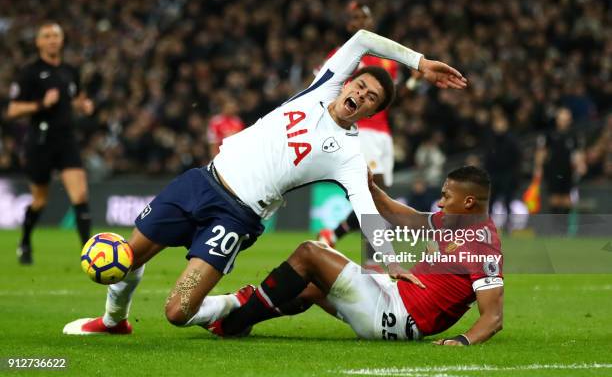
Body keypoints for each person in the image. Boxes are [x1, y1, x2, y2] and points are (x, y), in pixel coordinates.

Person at [63, 29, 467, 335]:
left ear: (370, 112)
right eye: (360, 86)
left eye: (371, 99)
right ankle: (114, 321)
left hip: (236, 218)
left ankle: (231, 304)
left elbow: (365, 206)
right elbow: (362, 39)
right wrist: (418, 62)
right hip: (202, 182)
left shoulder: (347, 155)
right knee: (128, 256)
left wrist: (389, 259)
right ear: (346, 83)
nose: (361, 95)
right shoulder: (320, 88)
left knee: (178, 312)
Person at [203, 166, 503, 345]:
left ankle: (234, 320)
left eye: (446, 197)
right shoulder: (455, 223)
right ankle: (242, 318)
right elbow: (406, 218)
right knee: (309, 286)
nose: (440, 203)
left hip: (399, 317)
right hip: (394, 294)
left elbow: (493, 316)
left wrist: (462, 341)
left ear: (469, 202)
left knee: (311, 252)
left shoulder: (482, 245)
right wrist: (370, 189)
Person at [6, 22, 94, 264]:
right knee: (40, 201)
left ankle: (89, 253)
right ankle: (24, 242)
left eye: (56, 35)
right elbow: (12, 110)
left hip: (66, 140)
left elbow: (75, 98)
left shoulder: (69, 71)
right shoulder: (30, 73)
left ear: (62, 40)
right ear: (38, 42)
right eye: (47, 36)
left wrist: (82, 105)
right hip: (40, 142)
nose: (52, 40)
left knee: (80, 196)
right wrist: (40, 104)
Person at [317, 1, 399, 248]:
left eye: (365, 17)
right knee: (375, 194)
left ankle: (334, 235)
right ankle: (373, 258)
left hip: (383, 133)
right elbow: (324, 88)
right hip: (362, 130)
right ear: (349, 25)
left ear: (371, 22)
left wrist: (414, 84)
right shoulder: (342, 55)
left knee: (381, 196)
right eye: (355, 18)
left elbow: (392, 98)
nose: (361, 22)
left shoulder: (388, 59)